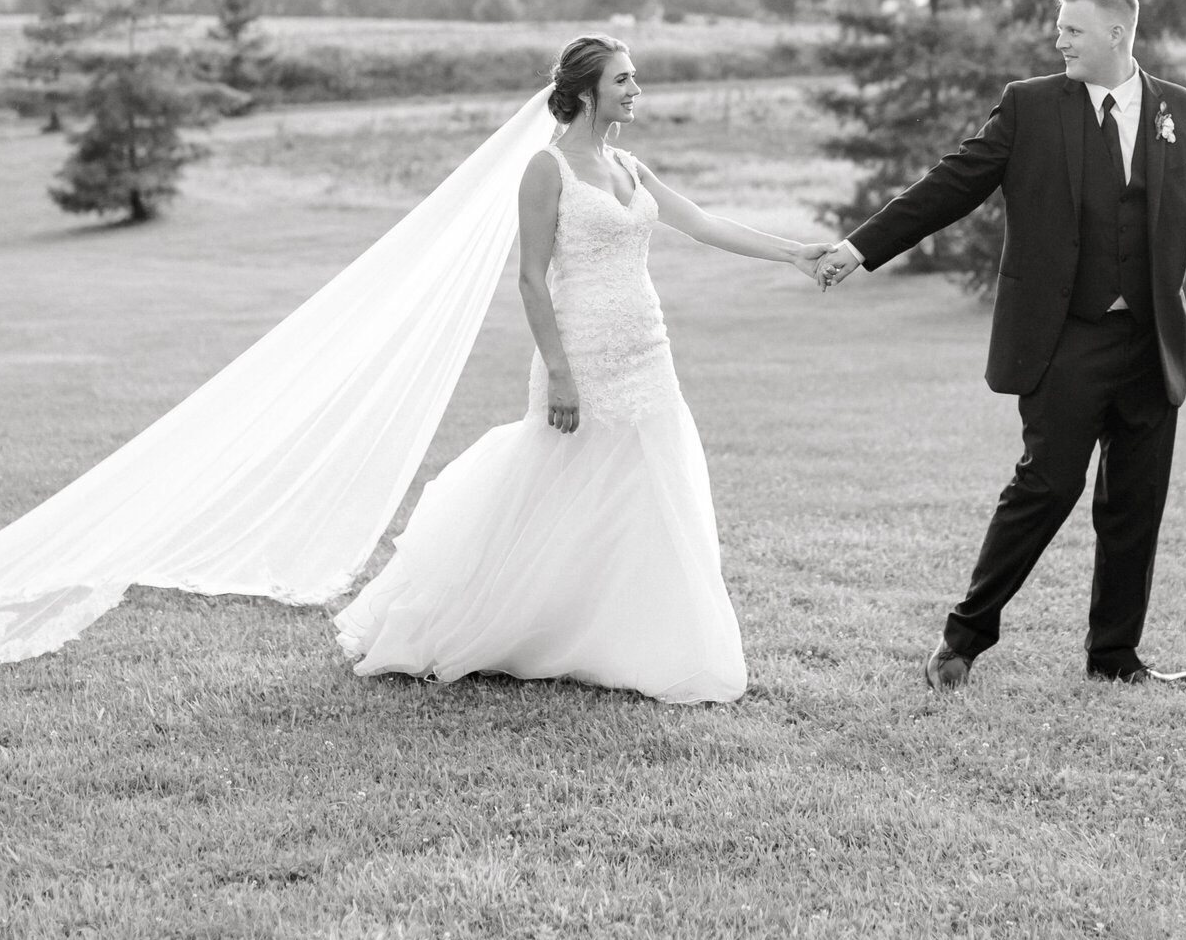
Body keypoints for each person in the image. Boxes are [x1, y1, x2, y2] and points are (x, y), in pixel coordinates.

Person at [814, 0, 1186, 689]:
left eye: (1072, 29)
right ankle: (963, 639)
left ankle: (1115, 658)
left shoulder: (1184, 114)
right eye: (1058, 28)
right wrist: (860, 247)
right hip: (1066, 338)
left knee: (1135, 504)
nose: (1058, 39)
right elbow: (952, 183)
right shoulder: (1030, 106)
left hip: (1151, 344)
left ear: (1118, 35)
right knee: (1044, 488)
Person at [334, 35, 829, 702]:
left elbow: (702, 223)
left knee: (654, 493)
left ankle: (640, 639)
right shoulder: (548, 169)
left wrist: (796, 253)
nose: (635, 90)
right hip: (582, 358)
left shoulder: (629, 164)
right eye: (622, 80)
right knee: (552, 488)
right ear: (586, 92)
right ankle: (490, 620)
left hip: (648, 352)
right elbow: (532, 282)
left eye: (635, 79)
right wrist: (560, 373)